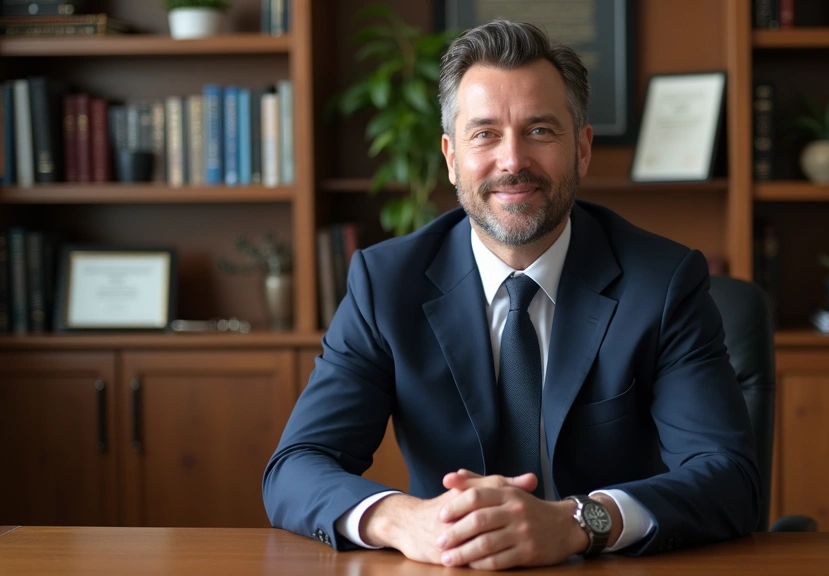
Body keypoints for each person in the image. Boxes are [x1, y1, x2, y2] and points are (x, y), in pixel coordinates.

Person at [263, 18, 760, 571]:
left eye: (541, 131)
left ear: (583, 150)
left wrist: (577, 522)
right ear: (451, 157)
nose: (512, 161)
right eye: (485, 133)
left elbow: (730, 478)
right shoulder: (386, 283)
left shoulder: (662, 282)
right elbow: (296, 466)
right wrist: (403, 518)